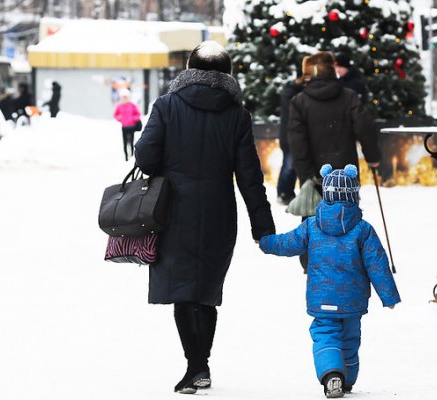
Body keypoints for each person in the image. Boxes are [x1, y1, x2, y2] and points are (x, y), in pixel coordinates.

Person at [134, 41, 276, 394]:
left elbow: (147, 159)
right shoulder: (237, 116)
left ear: (188, 68)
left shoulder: (167, 106)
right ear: (227, 73)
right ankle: (201, 366)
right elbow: (249, 176)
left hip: (174, 212)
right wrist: (263, 226)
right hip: (218, 213)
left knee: (184, 291)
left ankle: (196, 366)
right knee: (206, 291)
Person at [259, 164, 400, 399]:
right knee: (350, 339)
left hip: (322, 299)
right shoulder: (363, 230)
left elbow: (287, 243)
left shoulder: (312, 226)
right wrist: (389, 296)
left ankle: (332, 374)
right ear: (354, 194)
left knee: (325, 334)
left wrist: (265, 243)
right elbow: (378, 265)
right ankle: (347, 381)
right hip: (352, 302)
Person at [288, 51, 380, 271]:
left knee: (313, 219)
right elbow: (365, 129)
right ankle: (348, 259)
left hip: (314, 174)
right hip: (345, 172)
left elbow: (297, 143)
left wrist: (306, 175)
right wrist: (373, 157)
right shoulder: (349, 96)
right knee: (347, 217)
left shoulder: (299, 102)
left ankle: (311, 262)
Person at [276, 67, 304, 205]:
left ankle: (286, 193)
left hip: (291, 135)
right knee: (289, 166)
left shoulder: (293, 91)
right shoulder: (290, 93)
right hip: (289, 137)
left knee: (291, 166)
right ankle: (283, 193)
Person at [113, 89, 141, 161]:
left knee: (131, 142)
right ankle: (126, 157)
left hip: (132, 126)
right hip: (124, 127)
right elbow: (115, 115)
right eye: (123, 97)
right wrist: (120, 118)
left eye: (126, 97)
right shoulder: (119, 106)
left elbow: (138, 114)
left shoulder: (132, 105)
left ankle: (131, 156)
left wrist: (133, 119)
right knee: (125, 142)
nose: (125, 98)